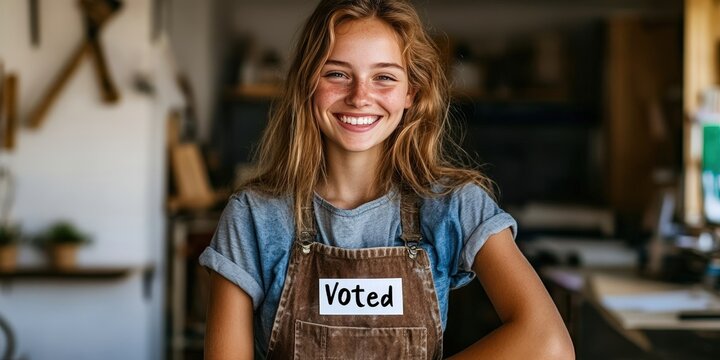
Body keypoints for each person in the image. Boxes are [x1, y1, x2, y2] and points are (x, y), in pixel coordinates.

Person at [200, 0, 574, 359]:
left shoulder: (454, 204)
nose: (360, 96)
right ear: (307, 83)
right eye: (337, 73)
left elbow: (548, 345)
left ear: (411, 91)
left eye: (383, 77)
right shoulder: (254, 215)